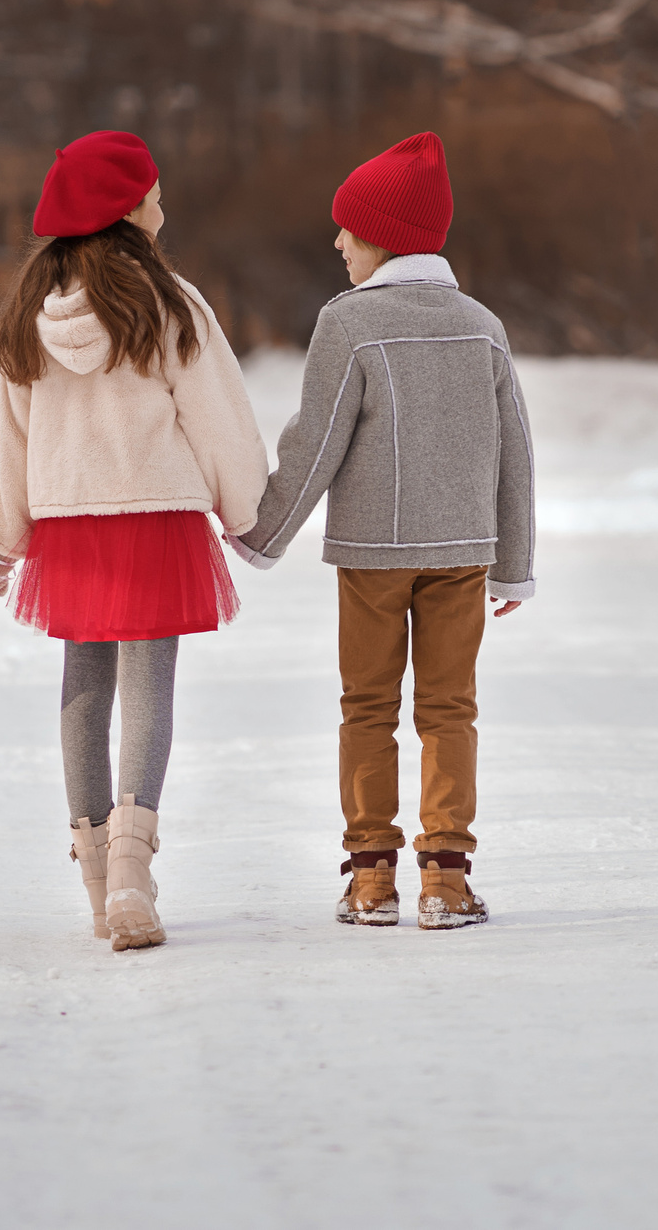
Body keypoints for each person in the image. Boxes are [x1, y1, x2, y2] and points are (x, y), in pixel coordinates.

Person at [228, 132, 535, 929]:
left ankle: (371, 878)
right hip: (463, 553)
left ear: (385, 238)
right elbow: (517, 455)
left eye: (349, 230)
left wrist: (263, 534)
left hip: (371, 554)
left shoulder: (349, 324)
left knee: (366, 707)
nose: (337, 243)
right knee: (449, 710)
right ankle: (446, 878)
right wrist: (515, 564)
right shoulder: (482, 324)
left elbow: (314, 441)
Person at [0, 131, 269, 952]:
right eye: (153, 194)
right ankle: (137, 866)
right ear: (127, 210)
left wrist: (1, 541)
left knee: (83, 680)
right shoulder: (172, 303)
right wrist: (247, 514)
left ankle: (98, 875)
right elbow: (219, 418)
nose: (161, 206)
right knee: (149, 681)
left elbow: (11, 437)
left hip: (69, 523)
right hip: (157, 515)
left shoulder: (31, 318)